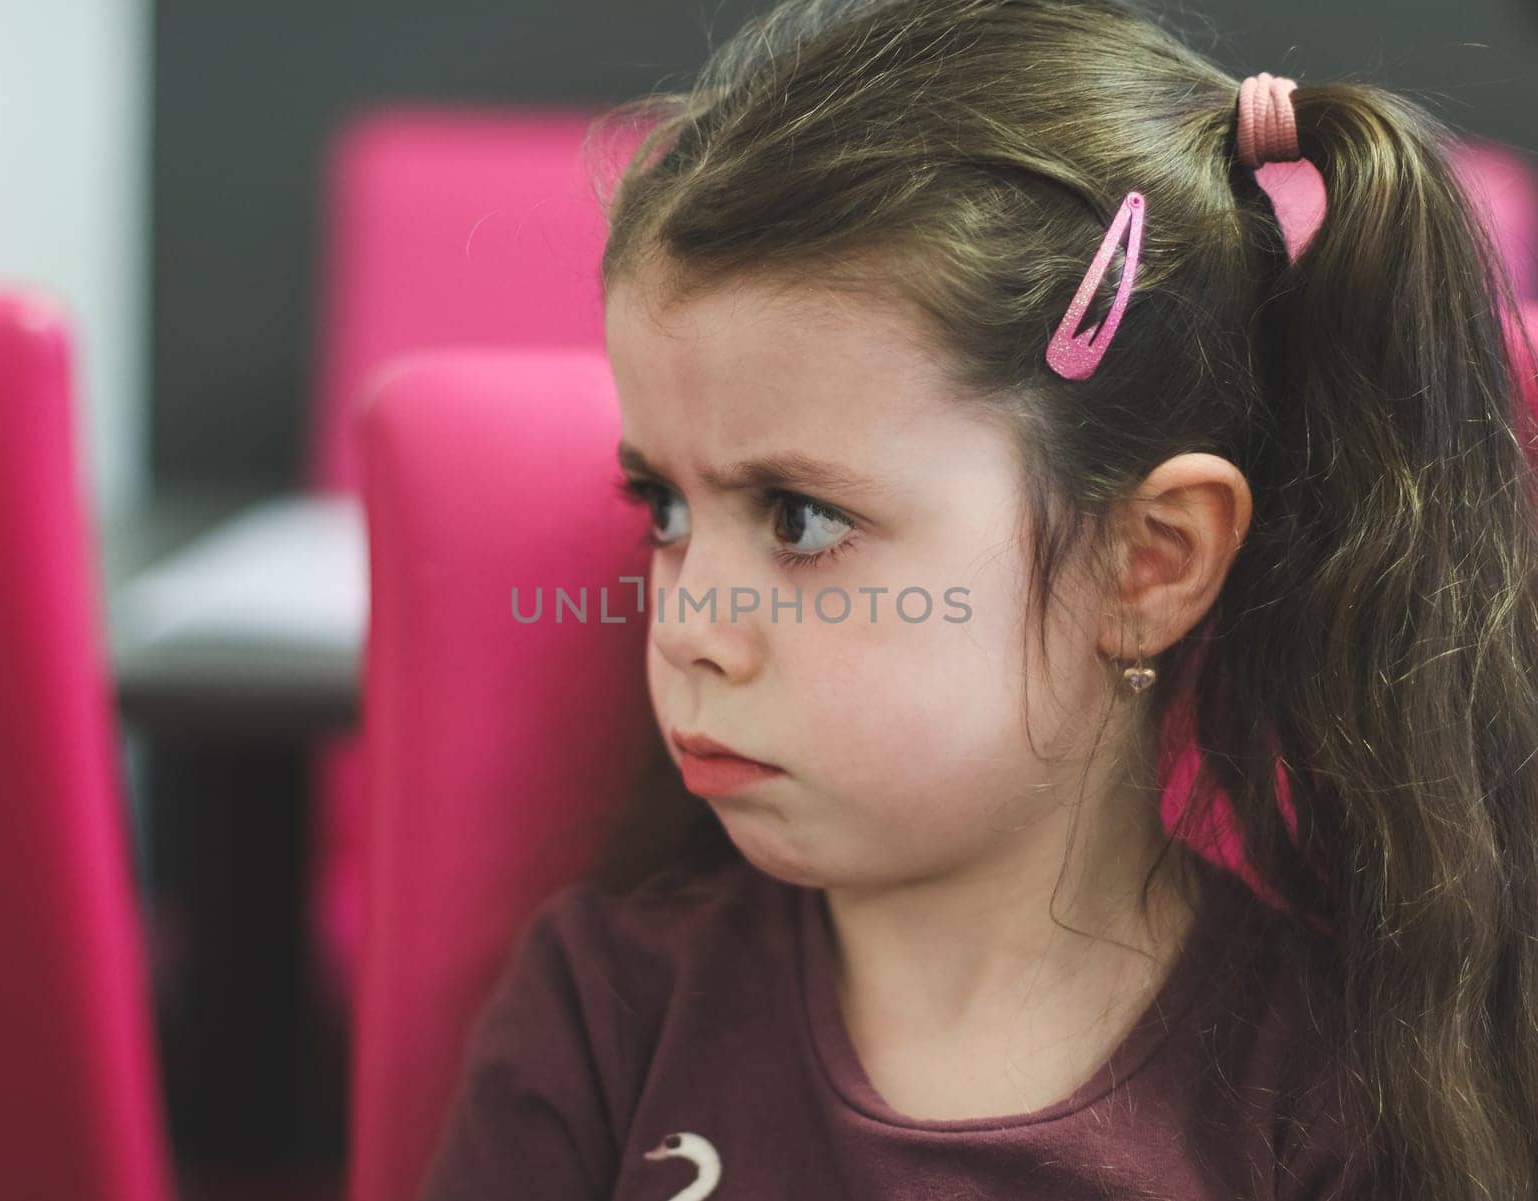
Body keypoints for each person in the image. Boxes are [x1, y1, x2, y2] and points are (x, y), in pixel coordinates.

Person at [417, 0, 1538, 1197]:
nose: (689, 625)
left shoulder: (1334, 1094)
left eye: (800, 520)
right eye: (667, 510)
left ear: (1147, 561)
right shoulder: (604, 1018)